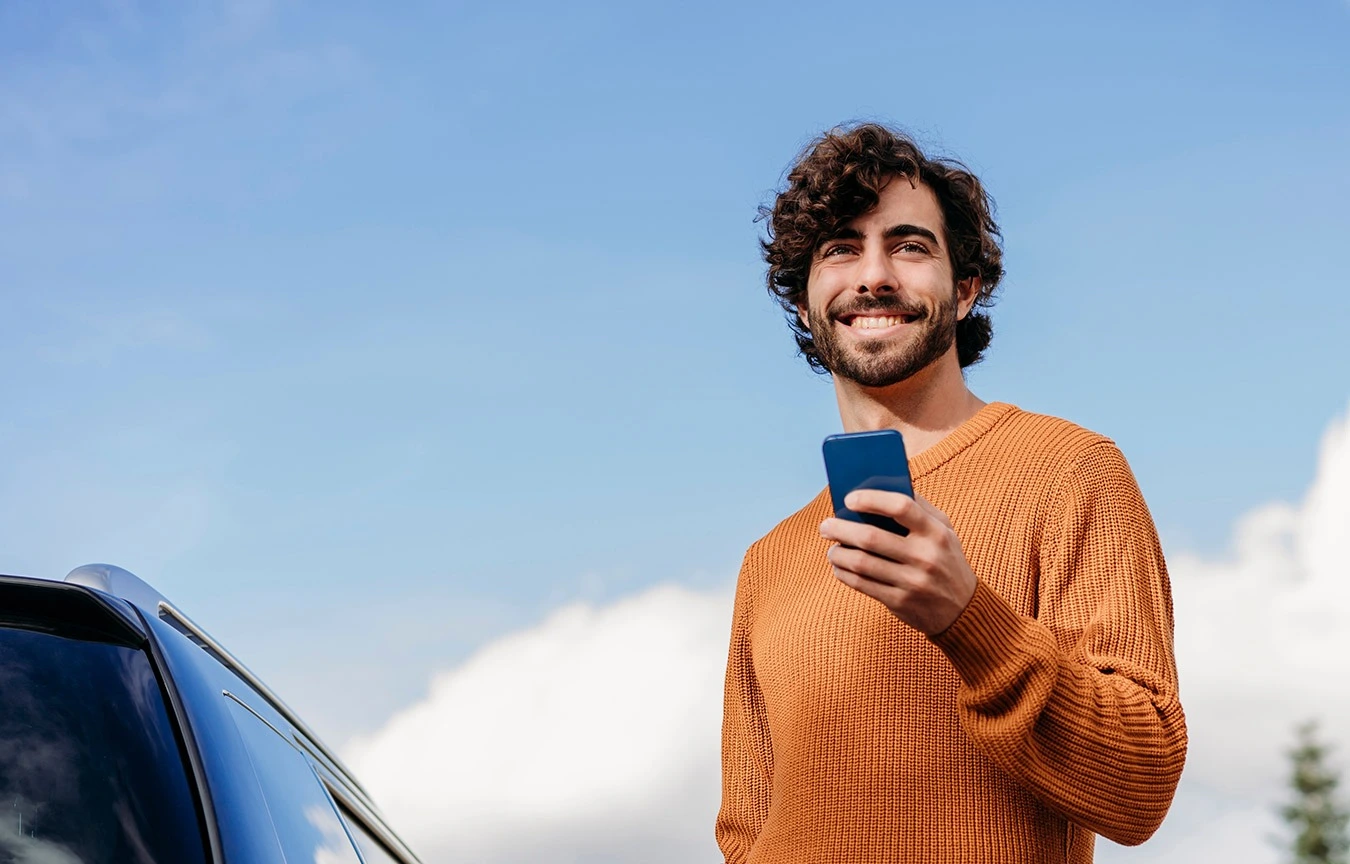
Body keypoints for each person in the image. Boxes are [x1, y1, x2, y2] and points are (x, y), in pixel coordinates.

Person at [716, 123, 1187, 864]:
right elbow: (745, 836)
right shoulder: (767, 561)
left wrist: (969, 618)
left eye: (909, 246)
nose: (873, 275)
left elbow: (1140, 786)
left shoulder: (1070, 470)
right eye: (840, 248)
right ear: (805, 303)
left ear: (966, 290)